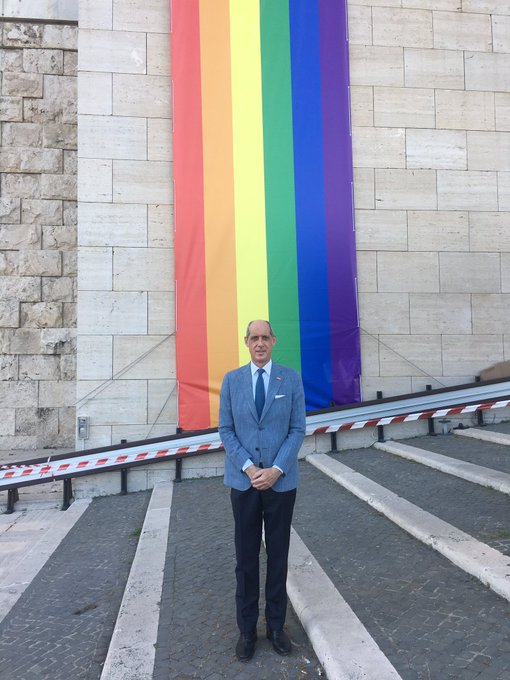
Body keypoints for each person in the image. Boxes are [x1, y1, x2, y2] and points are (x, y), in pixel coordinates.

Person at [219, 319, 306, 662]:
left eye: (265, 337)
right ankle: (246, 631)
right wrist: (251, 468)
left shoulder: (291, 379)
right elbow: (226, 429)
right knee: (246, 558)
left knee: (278, 556)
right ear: (246, 342)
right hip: (243, 482)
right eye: (253, 338)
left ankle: (275, 627)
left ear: (274, 341)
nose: (259, 343)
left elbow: (297, 429)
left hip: (281, 483)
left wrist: (275, 470)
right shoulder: (232, 381)